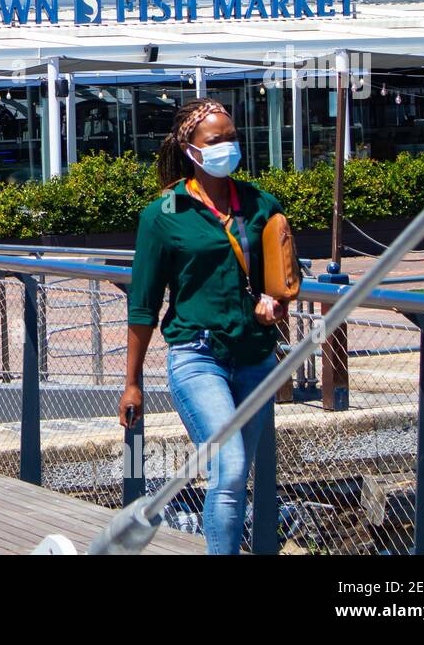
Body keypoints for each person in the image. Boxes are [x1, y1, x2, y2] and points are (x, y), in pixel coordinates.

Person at [119, 97, 288, 555]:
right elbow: (144, 304)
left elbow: (283, 275)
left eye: (232, 138)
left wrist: (277, 302)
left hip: (255, 359)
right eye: (216, 141)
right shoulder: (165, 213)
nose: (227, 147)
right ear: (191, 148)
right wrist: (132, 383)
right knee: (228, 467)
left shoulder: (259, 202)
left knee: (237, 475)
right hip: (197, 356)